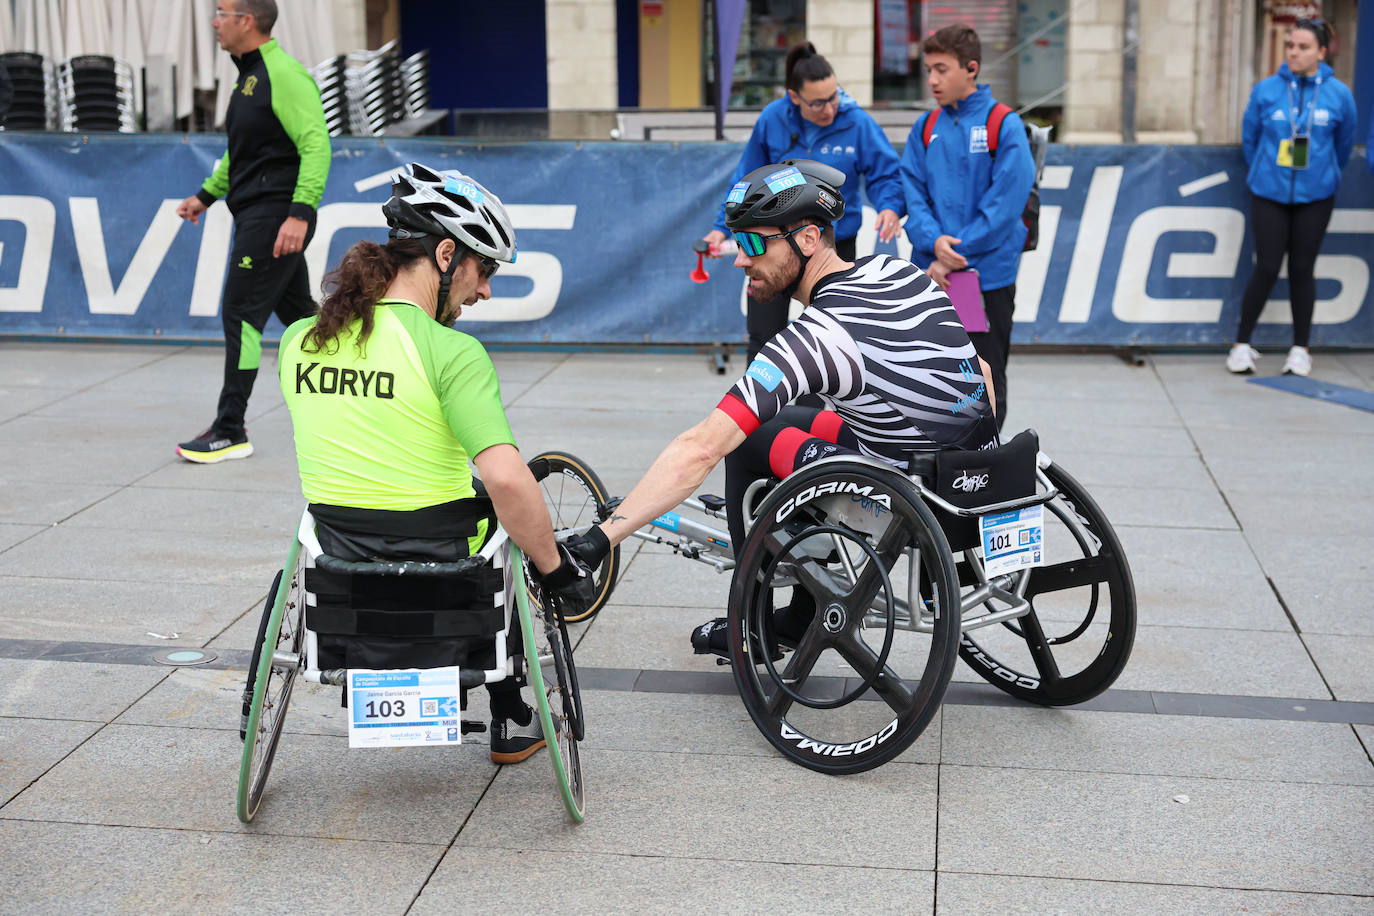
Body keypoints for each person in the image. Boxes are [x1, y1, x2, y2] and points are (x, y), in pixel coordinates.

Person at [564, 159, 997, 658]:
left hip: (904, 499)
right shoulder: (897, 271)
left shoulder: (815, 339)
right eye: (736, 243)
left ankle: (758, 622)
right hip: (972, 479)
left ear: (808, 240)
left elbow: (701, 448)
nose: (740, 260)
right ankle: (802, 581)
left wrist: (603, 538)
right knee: (793, 421)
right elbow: (981, 372)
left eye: (752, 244)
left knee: (746, 440)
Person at [277, 162, 593, 763]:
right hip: (446, 574)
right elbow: (505, 478)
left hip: (339, 560)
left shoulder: (299, 339)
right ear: (446, 254)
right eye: (484, 270)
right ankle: (510, 710)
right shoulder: (453, 352)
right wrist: (554, 567)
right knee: (508, 513)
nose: (485, 291)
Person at [174, 0, 331, 462]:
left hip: (277, 216)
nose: (214, 21)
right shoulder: (248, 77)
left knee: (240, 315)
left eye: (221, 12)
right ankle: (370, 392)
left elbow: (316, 145)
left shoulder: (284, 74)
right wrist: (205, 195)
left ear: (247, 20)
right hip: (262, 214)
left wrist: (300, 213)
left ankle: (230, 428)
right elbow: (243, 154)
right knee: (307, 319)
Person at [701, 42, 905, 362]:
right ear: (794, 98)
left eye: (835, 96)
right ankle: (760, 411)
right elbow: (745, 180)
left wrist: (890, 206)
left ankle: (810, 414)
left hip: (832, 247)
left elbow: (887, 175)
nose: (830, 109)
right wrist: (720, 229)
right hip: (772, 246)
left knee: (827, 344)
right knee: (764, 339)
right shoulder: (772, 119)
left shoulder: (857, 122)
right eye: (818, 103)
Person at [900, 23, 1034, 429]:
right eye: (928, 70)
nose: (933, 80)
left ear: (971, 68)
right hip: (932, 274)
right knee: (930, 373)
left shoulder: (1003, 124)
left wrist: (955, 254)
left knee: (985, 374)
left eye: (942, 69)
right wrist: (933, 241)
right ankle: (939, 464)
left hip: (983, 277)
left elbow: (1006, 203)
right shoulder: (926, 127)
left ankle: (987, 467)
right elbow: (912, 192)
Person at [1227, 17, 1357, 377]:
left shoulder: (1339, 94)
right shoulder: (1266, 90)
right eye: (1290, 46)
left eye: (1303, 47)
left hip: (1316, 195)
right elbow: (1250, 139)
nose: (1294, 53)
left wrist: (1323, 172)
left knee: (1302, 268)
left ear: (1321, 52)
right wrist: (1267, 171)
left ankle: (1300, 349)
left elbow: (1343, 144)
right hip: (1269, 191)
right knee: (1267, 266)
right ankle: (1240, 345)